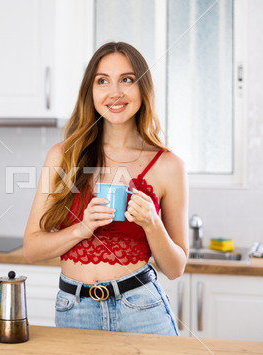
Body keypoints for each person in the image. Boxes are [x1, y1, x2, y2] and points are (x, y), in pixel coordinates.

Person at [23, 41, 189, 335]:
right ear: (91, 91)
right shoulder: (63, 155)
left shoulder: (169, 165)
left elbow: (175, 269)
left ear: (143, 89)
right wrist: (81, 229)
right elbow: (32, 249)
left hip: (143, 311)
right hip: (74, 312)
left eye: (127, 79)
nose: (115, 92)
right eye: (103, 81)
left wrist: (152, 224)